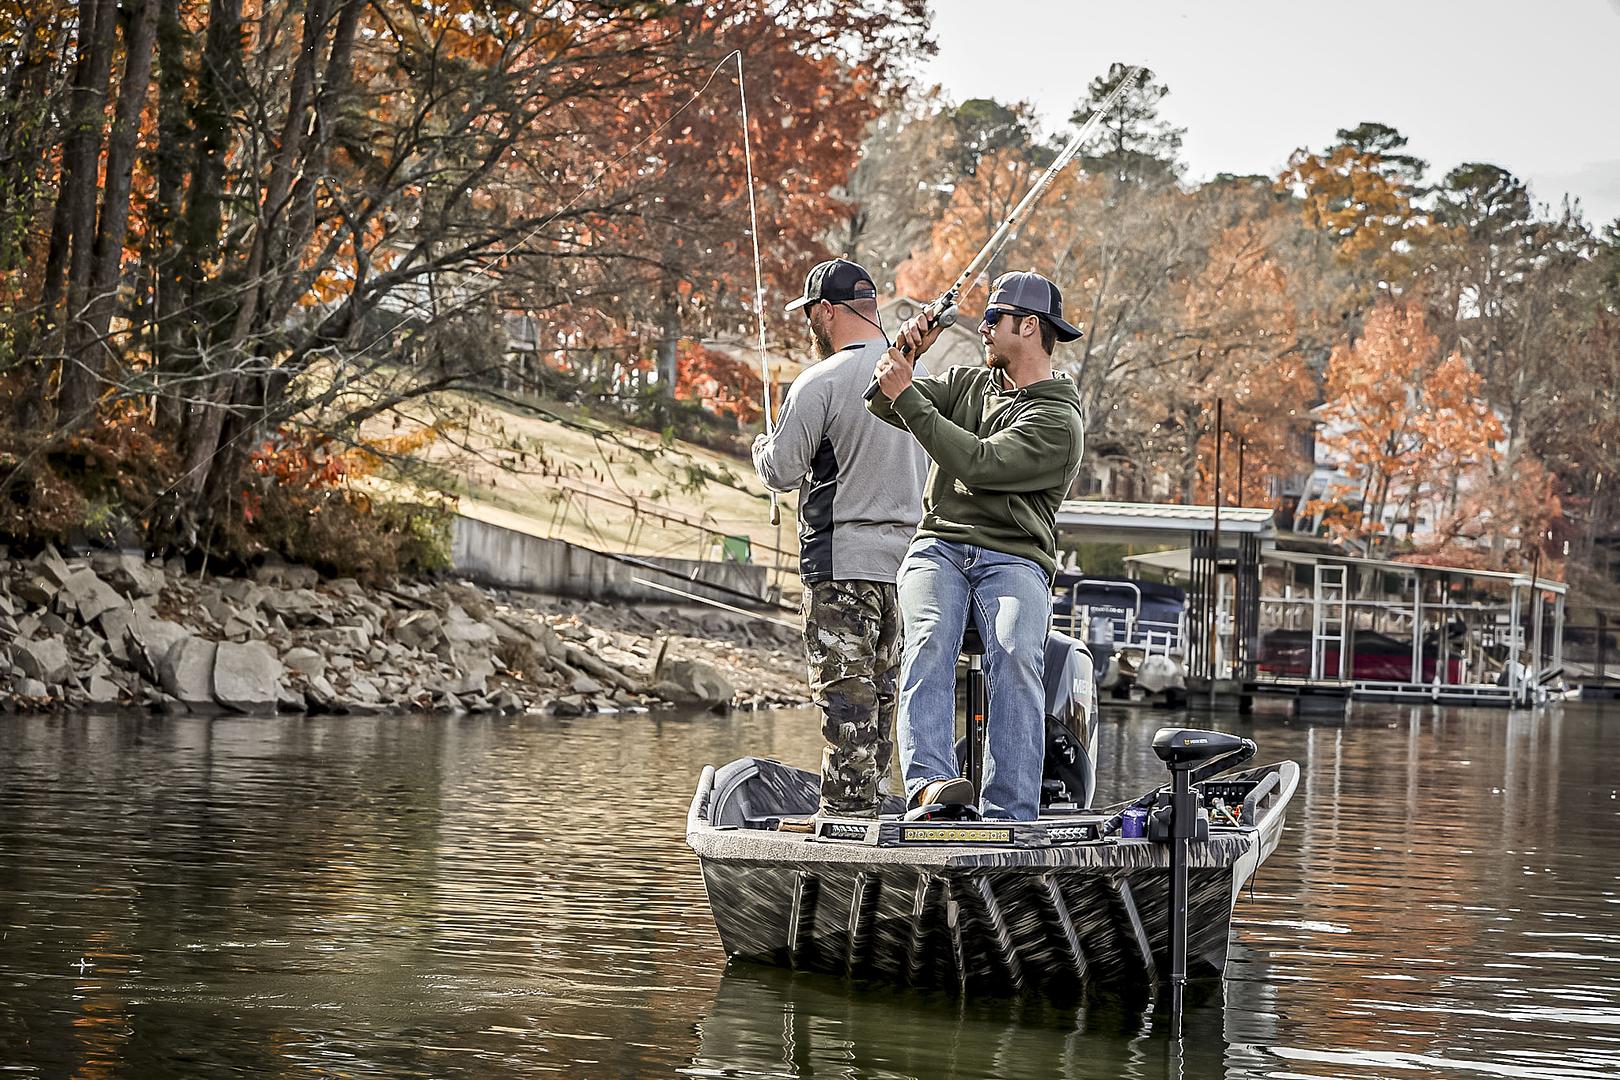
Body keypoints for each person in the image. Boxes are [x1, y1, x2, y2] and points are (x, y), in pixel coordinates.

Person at [866, 270, 1086, 820]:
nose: (982, 327)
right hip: (939, 545)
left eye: (994, 318)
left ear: (1029, 327)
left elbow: (980, 465)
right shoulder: (967, 383)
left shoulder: (1059, 420)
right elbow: (883, 403)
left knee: (1014, 649)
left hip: (1015, 557)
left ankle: (1011, 812)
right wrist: (905, 357)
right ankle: (929, 790)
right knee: (928, 637)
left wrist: (909, 396)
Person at [752, 258, 929, 818]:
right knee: (880, 715)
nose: (809, 325)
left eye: (810, 314)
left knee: (846, 712)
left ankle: (846, 839)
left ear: (828, 311)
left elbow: (781, 471)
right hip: (902, 574)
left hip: (840, 571)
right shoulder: (912, 386)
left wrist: (761, 450)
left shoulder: (818, 384)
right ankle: (876, 826)